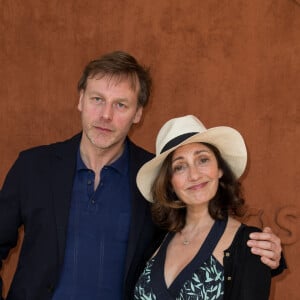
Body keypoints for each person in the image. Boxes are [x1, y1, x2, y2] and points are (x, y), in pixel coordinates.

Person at [0, 51, 284, 300]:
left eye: (121, 105)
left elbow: (202, 226)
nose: (106, 115)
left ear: (137, 114)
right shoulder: (33, 166)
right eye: (97, 99)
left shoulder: (157, 180)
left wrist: (268, 254)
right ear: (81, 100)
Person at [134, 115, 280, 299]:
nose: (194, 175)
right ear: (170, 183)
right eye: (179, 167)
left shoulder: (251, 246)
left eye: (202, 160)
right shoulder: (156, 239)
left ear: (220, 169)